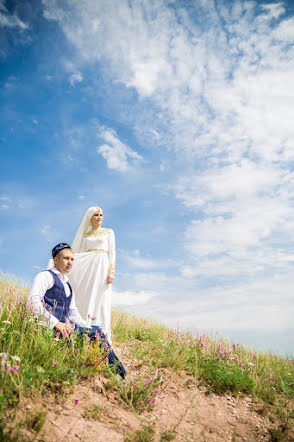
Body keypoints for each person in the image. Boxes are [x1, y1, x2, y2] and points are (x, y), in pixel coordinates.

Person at [28, 242, 126, 379]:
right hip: (48, 328)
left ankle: (112, 371)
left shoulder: (68, 286)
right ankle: (120, 375)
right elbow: (33, 302)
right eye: (66, 258)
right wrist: (55, 323)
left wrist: (88, 328)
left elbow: (73, 313)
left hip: (65, 331)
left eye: (72, 259)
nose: (70, 263)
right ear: (55, 260)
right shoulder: (45, 277)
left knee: (96, 329)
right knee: (96, 331)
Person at [69, 206, 115, 343]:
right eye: (96, 215)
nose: (99, 217)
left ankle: (102, 332)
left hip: (102, 265)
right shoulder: (86, 236)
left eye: (101, 215)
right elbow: (80, 255)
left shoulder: (108, 232)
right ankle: (86, 328)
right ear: (90, 218)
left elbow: (112, 252)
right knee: (88, 294)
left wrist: (111, 271)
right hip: (88, 267)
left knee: (102, 296)